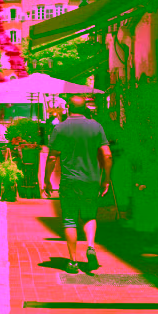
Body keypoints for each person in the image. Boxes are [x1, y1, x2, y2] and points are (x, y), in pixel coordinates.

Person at [44, 96, 112, 274]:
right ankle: (90, 246)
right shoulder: (96, 127)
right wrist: (106, 178)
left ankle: (73, 261)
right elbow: (107, 155)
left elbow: (52, 157)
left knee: (70, 220)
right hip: (91, 180)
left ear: (68, 108)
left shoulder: (60, 128)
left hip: (69, 180)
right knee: (89, 216)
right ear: (86, 109)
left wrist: (46, 179)